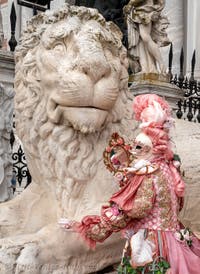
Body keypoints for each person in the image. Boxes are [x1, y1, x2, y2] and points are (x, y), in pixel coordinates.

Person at [61, 94, 200, 273]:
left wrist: (87, 228)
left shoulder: (147, 174)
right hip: (174, 239)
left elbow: (132, 209)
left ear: (152, 148)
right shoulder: (168, 168)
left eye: (138, 147)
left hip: (154, 244)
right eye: (134, 146)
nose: (133, 151)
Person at [124, 0, 170, 74]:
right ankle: (146, 68)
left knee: (145, 37)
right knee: (140, 42)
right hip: (138, 10)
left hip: (145, 10)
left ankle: (160, 62)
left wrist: (131, 3)